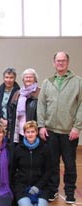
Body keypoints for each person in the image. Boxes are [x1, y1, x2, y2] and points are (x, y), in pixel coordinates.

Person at [37, 51, 82, 204]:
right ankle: (53, 190)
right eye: (58, 60)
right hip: (50, 131)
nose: (60, 63)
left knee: (69, 164)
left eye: (63, 61)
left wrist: (77, 127)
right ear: (54, 63)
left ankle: (70, 192)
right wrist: (41, 126)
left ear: (68, 63)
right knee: (52, 164)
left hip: (69, 132)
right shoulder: (47, 82)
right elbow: (41, 105)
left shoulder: (78, 81)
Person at [12, 121, 51, 206]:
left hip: (41, 187)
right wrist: (17, 185)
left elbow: (48, 171)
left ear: (36, 132)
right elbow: (13, 170)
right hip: (22, 187)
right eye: (28, 132)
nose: (30, 134)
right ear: (24, 134)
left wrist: (38, 186)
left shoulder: (45, 149)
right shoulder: (18, 149)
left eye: (32, 131)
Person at [7, 68, 40, 144]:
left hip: (32, 131)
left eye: (31, 77)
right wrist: (9, 132)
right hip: (19, 131)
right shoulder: (17, 94)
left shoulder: (39, 93)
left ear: (35, 79)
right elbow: (11, 114)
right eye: (26, 77)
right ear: (23, 79)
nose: (28, 79)